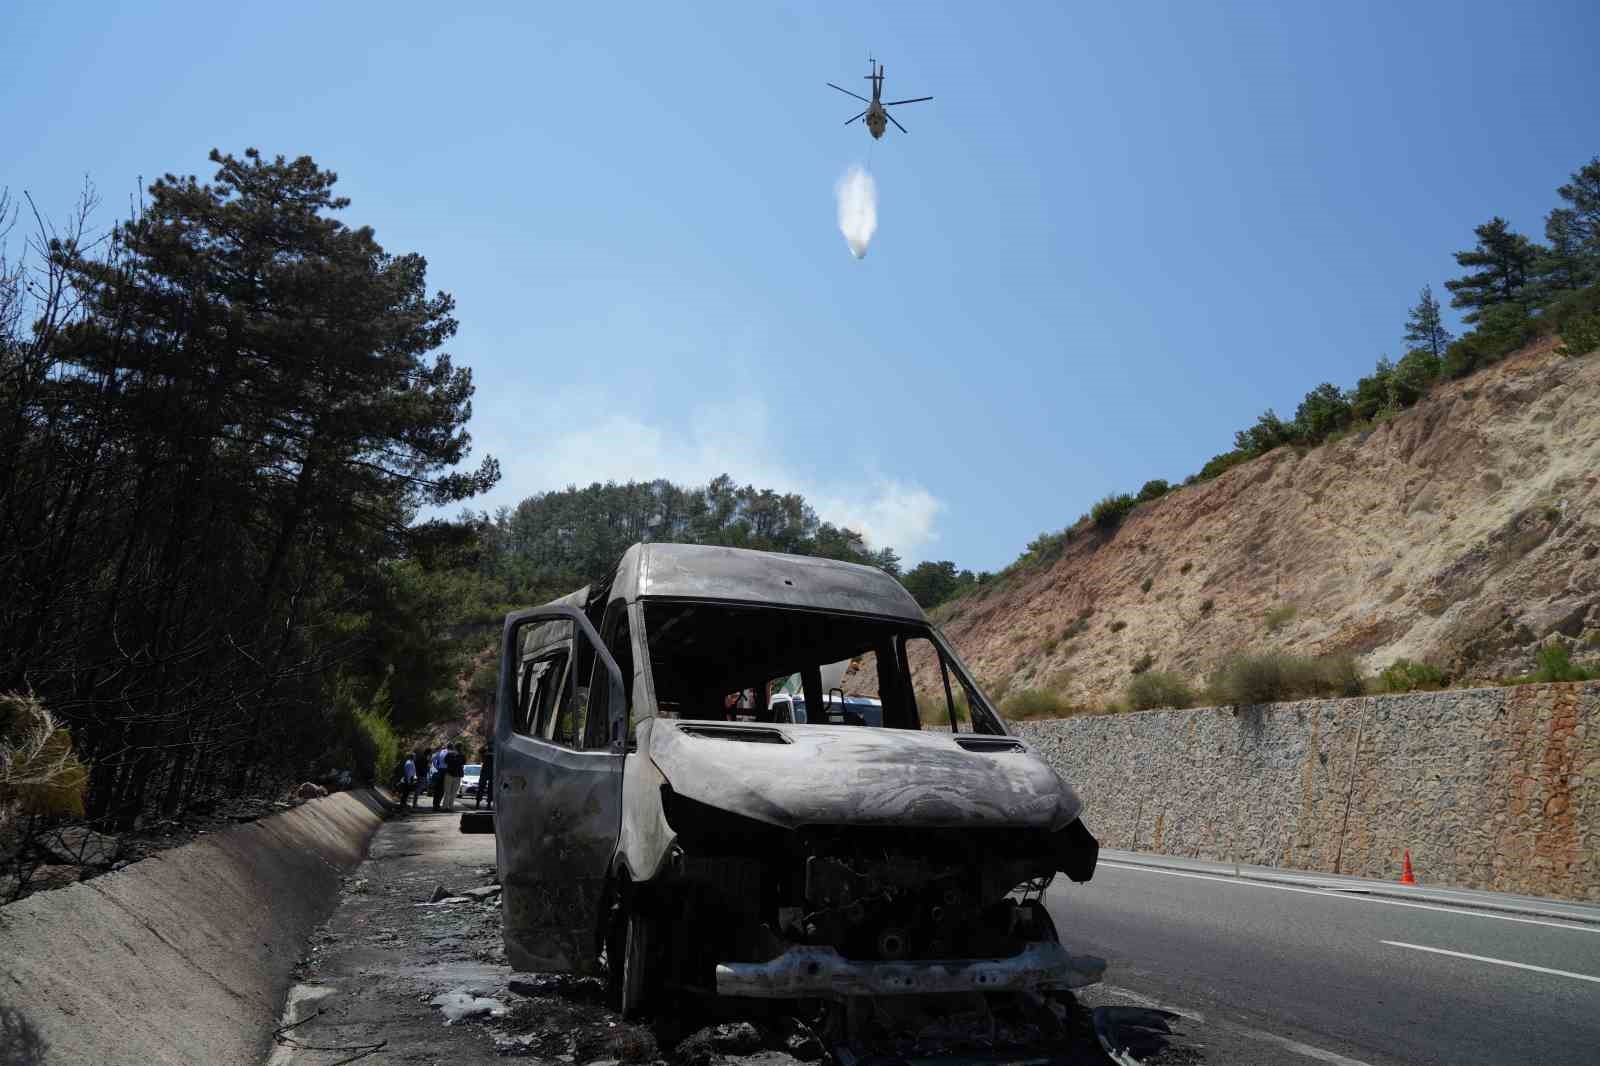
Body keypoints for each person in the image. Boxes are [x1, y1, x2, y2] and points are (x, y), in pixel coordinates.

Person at [443, 744, 466, 811]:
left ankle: (447, 807)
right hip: (453, 775)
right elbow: (463, 762)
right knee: (451, 792)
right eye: (460, 747)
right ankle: (449, 807)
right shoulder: (460, 755)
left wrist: (454, 760)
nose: (460, 748)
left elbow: (446, 761)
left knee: (449, 792)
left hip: (452, 774)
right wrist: (457, 761)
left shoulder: (452, 754)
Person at [477, 740, 495, 809]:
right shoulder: (494, 752)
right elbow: (480, 750)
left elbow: (480, 750)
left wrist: (485, 744)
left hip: (486, 771)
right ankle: (486, 804)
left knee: (482, 787)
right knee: (488, 788)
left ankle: (482, 803)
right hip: (490, 771)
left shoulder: (485, 752)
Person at [430, 745, 449, 809]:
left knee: (438, 788)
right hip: (446, 770)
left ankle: (435, 804)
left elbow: (433, 758)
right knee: (442, 789)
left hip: (440, 770)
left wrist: (436, 767)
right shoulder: (448, 752)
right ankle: (437, 804)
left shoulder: (439, 753)